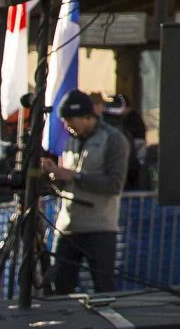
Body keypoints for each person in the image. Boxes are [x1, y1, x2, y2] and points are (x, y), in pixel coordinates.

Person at [44, 90, 130, 295]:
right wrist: (55, 176)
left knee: (103, 288)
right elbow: (67, 180)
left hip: (99, 227)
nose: (67, 126)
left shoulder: (113, 139)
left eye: (71, 120)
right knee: (60, 286)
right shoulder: (70, 140)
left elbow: (114, 184)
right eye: (64, 121)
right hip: (68, 227)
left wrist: (74, 176)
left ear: (86, 116)